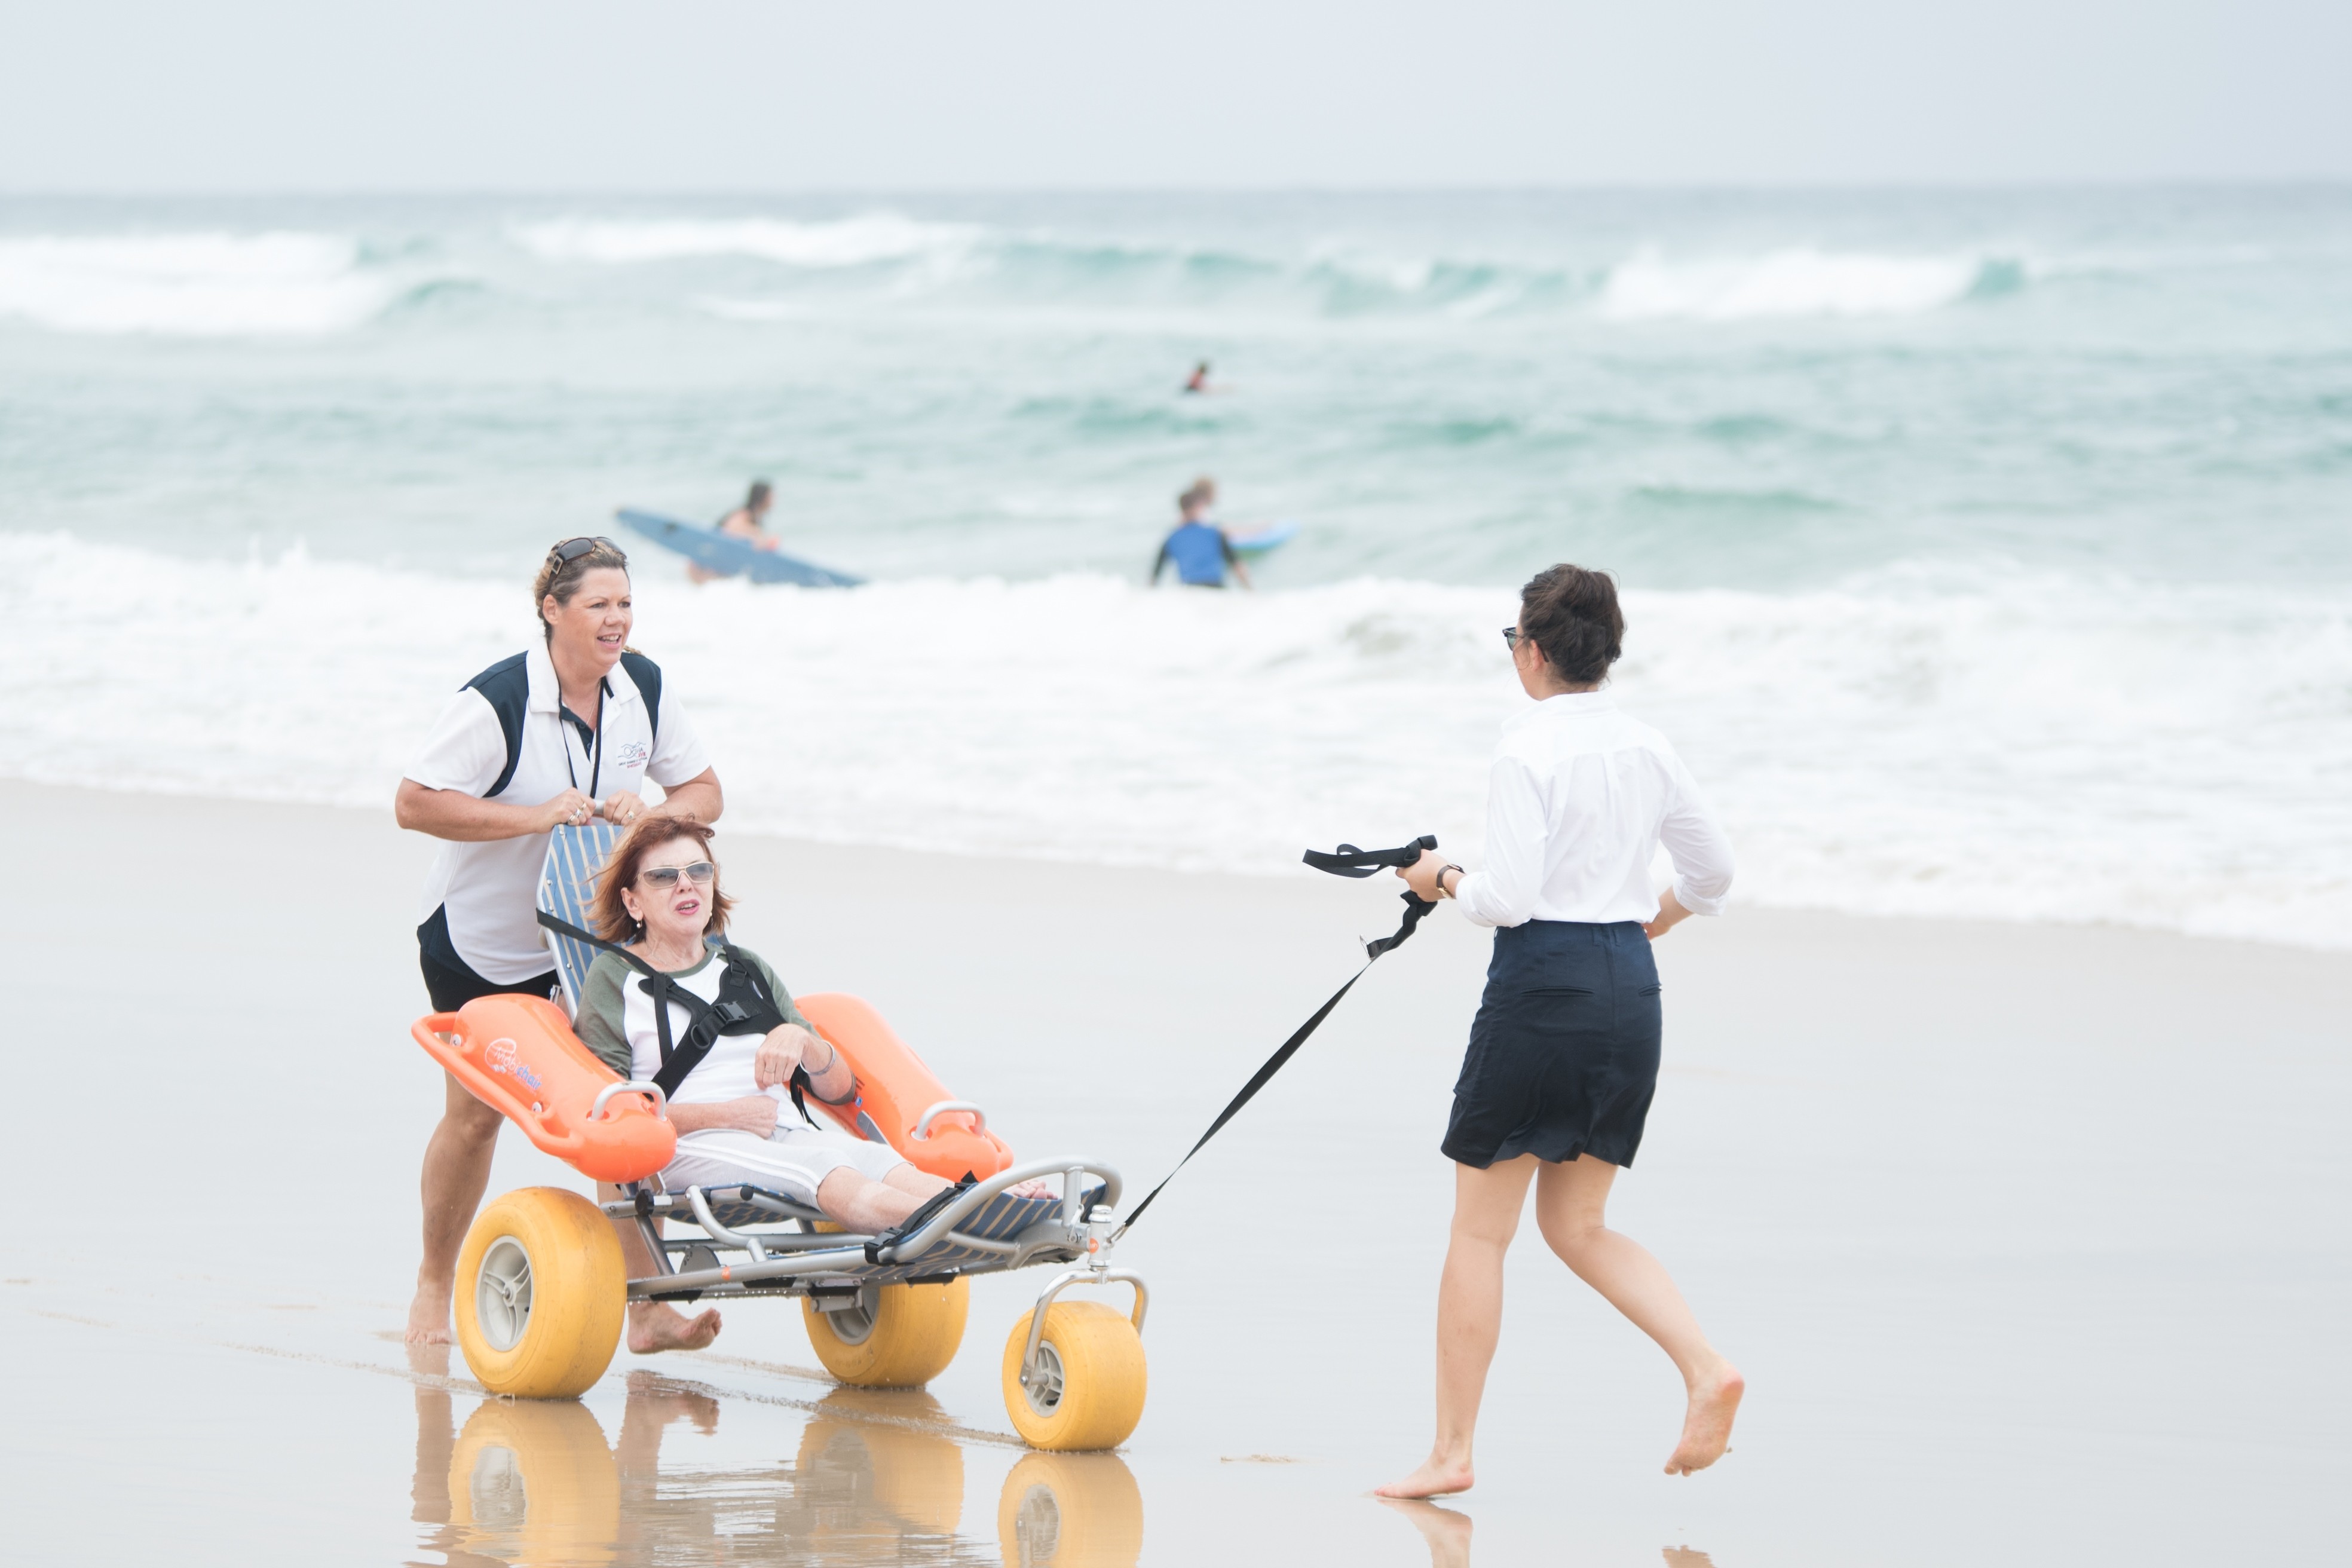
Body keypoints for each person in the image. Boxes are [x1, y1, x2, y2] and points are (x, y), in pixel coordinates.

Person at [1376, 564, 1742, 1498]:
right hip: (1631, 986)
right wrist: (1658, 915)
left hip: (1544, 987)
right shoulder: (1649, 746)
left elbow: (1506, 899)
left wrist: (1441, 878)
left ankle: (1452, 1454)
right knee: (1580, 1224)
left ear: (1533, 652)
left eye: (1514, 643)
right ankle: (1705, 1367)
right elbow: (1714, 873)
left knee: (1480, 1235)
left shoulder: (1528, 746)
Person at [395, 535, 726, 1350]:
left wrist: (646, 816)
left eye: (625, 605)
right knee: (476, 1120)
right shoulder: (499, 700)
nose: (616, 621)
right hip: (483, 946)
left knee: (624, 1101)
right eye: (598, 606)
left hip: (589, 943)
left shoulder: (641, 687)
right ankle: (434, 1288)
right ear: (552, 610)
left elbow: (706, 791)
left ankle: (645, 1309)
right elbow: (414, 803)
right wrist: (534, 816)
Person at [574, 817, 1049, 1226]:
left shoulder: (746, 969)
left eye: (699, 870)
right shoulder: (615, 979)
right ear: (633, 902)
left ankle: (988, 1205)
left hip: (786, 1136)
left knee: (873, 1157)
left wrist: (800, 1040)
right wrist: (726, 1116)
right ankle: (965, 1217)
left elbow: (839, 1090)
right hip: (683, 1148)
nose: (686, 884)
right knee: (822, 1163)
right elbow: (609, 1113)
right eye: (663, 876)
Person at [1150, 479, 1252, 590]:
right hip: (1215, 588)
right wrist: (1251, 592)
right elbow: (1237, 567)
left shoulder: (1172, 538)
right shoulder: (1215, 533)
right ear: (1198, 507)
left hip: (1188, 590)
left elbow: (1155, 576)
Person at [689, 480, 779, 584]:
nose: (774, 500)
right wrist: (759, 537)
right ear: (762, 497)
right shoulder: (744, 514)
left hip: (711, 567)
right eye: (771, 496)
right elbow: (731, 529)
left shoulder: (755, 518)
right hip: (702, 566)